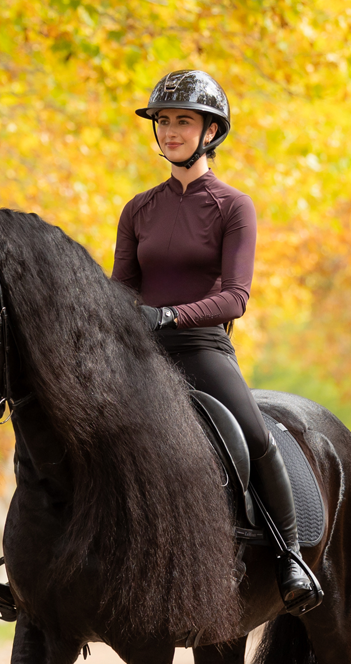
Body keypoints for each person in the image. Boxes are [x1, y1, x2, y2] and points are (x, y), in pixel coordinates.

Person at [111, 69, 321, 612]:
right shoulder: (138, 209)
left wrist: (171, 316)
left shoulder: (233, 206)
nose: (170, 131)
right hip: (142, 352)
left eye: (183, 121)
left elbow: (235, 297)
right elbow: (122, 289)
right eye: (163, 121)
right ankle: (28, 566)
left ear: (210, 132)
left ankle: (290, 555)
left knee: (257, 436)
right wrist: (126, 319)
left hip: (202, 348)